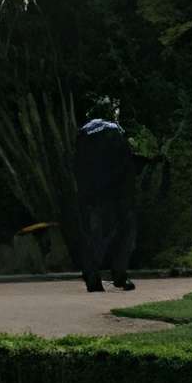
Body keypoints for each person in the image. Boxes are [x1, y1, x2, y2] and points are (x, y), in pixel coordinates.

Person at [74, 97, 139, 294]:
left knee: (95, 236)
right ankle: (119, 275)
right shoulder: (115, 132)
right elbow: (125, 165)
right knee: (123, 234)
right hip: (115, 194)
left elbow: (77, 166)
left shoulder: (84, 134)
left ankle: (92, 278)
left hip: (91, 195)